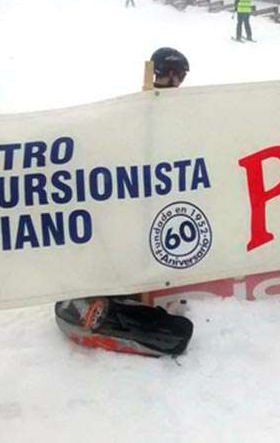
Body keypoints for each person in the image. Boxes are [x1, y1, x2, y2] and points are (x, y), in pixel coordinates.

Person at [54, 47, 194, 358]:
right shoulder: (137, 107)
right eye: (166, 73)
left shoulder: (184, 110)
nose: (172, 81)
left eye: (179, 75)